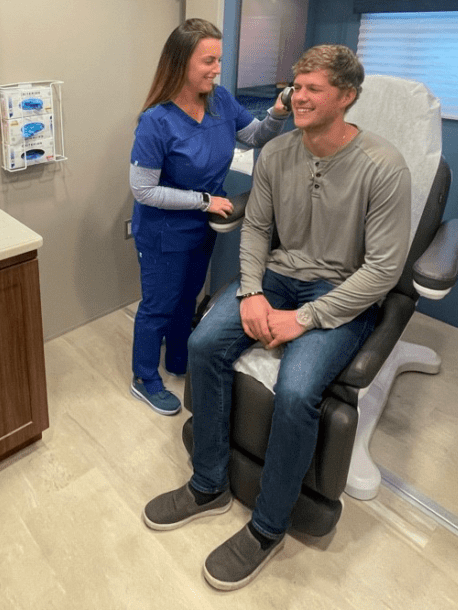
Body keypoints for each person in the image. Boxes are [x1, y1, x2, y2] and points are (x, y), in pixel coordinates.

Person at [143, 45, 411, 590]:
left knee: (295, 391)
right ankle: (208, 483)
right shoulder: (279, 153)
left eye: (314, 88)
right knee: (202, 344)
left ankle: (267, 527)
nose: (299, 96)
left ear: (347, 96)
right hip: (278, 276)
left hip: (341, 290)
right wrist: (250, 293)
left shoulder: (383, 166)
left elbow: (382, 271)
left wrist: (305, 319)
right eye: (298, 85)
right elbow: (258, 230)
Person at [129, 18, 289, 416]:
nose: (217, 68)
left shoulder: (220, 102)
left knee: (188, 298)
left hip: (203, 229)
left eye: (219, 59)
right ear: (181, 62)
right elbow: (143, 190)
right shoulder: (156, 121)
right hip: (163, 231)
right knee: (158, 305)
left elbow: (254, 136)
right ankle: (144, 378)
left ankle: (178, 359)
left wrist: (279, 111)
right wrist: (204, 200)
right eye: (209, 60)